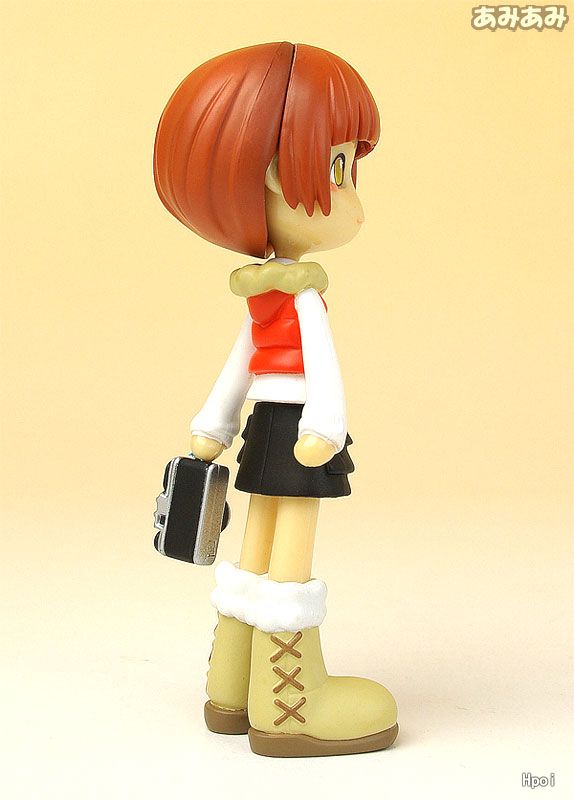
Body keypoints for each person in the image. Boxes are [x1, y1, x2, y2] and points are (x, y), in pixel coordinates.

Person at [153, 41, 398, 757]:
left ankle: (231, 686)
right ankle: (291, 704)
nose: (353, 200)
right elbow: (320, 367)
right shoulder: (301, 295)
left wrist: (213, 425)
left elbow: (243, 362)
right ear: (273, 173)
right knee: (288, 540)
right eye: (337, 168)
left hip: (265, 423)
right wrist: (325, 427)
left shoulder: (266, 293)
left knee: (254, 537)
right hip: (296, 429)